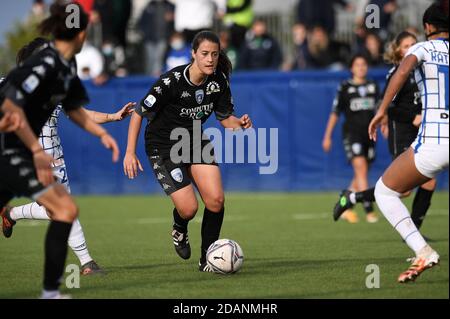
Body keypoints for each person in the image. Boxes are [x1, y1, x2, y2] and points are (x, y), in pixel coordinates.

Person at [0, 2, 119, 298]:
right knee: (62, 209)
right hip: (21, 158)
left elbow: (79, 112)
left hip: (49, 159)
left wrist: (110, 122)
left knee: (62, 209)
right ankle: (83, 265)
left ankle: (67, 274)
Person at [123, 30, 252, 272]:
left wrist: (240, 123)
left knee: (216, 200)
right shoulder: (171, 82)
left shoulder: (219, 82)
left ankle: (208, 259)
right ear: (193, 54)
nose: (210, 59)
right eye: (204, 53)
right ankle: (179, 227)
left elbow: (225, 120)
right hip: (162, 146)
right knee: (189, 208)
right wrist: (130, 152)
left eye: (214, 54)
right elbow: (139, 112)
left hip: (192, 139)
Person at [367, 2, 447, 283]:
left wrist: (380, 111)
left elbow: (402, 72)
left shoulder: (421, 49)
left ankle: (422, 250)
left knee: (385, 192)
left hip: (436, 142)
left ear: (427, 27)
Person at [334, 31, 437, 235]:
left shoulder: (422, 71)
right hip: (402, 132)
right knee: (403, 188)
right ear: (398, 50)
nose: (411, 48)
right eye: (406, 45)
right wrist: (411, 118)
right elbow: (389, 106)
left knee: (428, 181)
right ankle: (352, 198)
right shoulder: (398, 73)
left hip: (420, 133)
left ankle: (414, 231)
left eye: (414, 44)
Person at [323, 54, 380, 223]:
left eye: (364, 64)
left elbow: (379, 111)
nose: (361, 67)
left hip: (368, 135)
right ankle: (369, 211)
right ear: (351, 68)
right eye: (357, 64)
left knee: (360, 173)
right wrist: (327, 136)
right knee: (361, 168)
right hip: (352, 134)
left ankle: (344, 203)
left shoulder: (373, 86)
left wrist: (383, 126)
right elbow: (335, 113)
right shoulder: (345, 87)